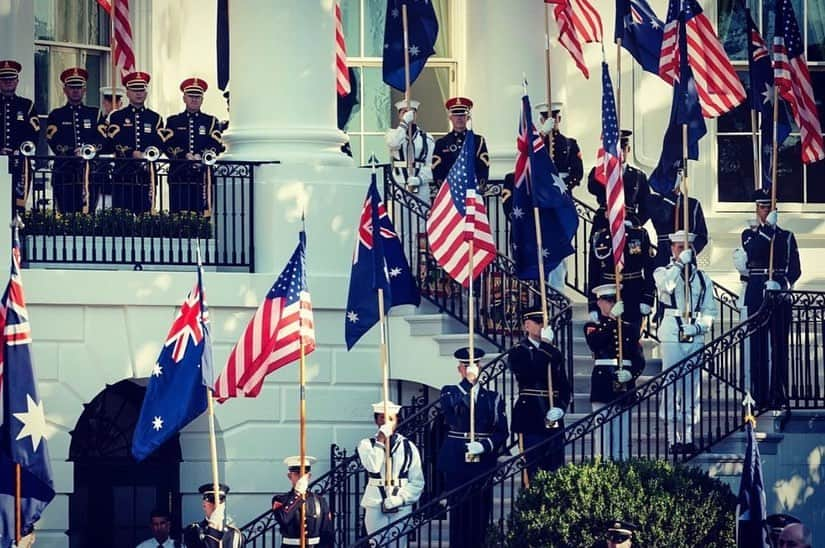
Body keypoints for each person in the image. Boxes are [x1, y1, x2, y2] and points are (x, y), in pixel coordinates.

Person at [437, 347, 508, 548]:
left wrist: (484, 445)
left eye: (475, 365)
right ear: (459, 369)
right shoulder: (449, 391)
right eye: (466, 366)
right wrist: (468, 385)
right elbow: (451, 413)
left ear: (481, 367)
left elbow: (502, 431)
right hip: (457, 460)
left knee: (480, 514)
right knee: (459, 515)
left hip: (482, 461)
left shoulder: (493, 397)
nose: (471, 369)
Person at [653, 231, 716, 454]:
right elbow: (666, 288)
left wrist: (699, 327)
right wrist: (680, 264)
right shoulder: (663, 272)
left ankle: (688, 435)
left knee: (692, 386)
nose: (683, 251)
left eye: (686, 247)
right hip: (672, 328)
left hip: (694, 331)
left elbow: (710, 310)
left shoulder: (703, 279)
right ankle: (672, 437)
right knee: (671, 383)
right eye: (678, 247)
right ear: (672, 249)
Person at [740, 188, 801, 408]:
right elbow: (754, 252)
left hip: (779, 293)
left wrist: (783, 284)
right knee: (757, 346)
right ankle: (760, 394)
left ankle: (779, 394)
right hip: (757, 291)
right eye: (761, 207)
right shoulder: (749, 235)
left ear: (774, 209)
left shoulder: (787, 237)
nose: (764, 211)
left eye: (768, 207)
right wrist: (767, 230)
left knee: (779, 345)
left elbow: (795, 269)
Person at [584, 284, 645, 460]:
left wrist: (631, 373)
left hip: (624, 383)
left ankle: (622, 467)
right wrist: (611, 319)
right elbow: (595, 343)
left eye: (614, 300)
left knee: (622, 433)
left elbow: (639, 359)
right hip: (603, 381)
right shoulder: (593, 326)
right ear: (599, 302)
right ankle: (602, 468)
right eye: (608, 300)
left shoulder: (629, 328)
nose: (611, 304)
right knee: (602, 434)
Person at [508, 307, 570, 477]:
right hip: (531, 415)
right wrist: (544, 348)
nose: (543, 326)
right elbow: (530, 374)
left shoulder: (554, 351)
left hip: (553, 415)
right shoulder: (518, 351)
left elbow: (564, 386)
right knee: (533, 470)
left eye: (544, 323)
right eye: (538, 323)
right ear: (527, 326)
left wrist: (561, 407)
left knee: (555, 468)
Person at [357, 400, 424, 546]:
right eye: (382, 418)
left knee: (399, 543)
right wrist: (380, 440)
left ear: (397, 420)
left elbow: (417, 481)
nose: (386, 422)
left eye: (391, 418)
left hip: (401, 503)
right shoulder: (366, 444)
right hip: (375, 501)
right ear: (376, 420)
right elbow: (373, 467)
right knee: (377, 542)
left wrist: (401, 499)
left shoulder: (408, 446)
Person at [45, 67, 107, 213]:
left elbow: (103, 137)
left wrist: (89, 150)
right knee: (65, 214)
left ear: (84, 90)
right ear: (65, 90)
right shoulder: (56, 115)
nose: (75, 90)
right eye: (72, 87)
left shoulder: (95, 114)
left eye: (79, 87)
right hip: (64, 172)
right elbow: (53, 140)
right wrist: (72, 152)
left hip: (90, 173)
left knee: (89, 214)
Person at [106, 71, 165, 214]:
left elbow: (161, 143)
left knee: (146, 217)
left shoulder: (155, 118)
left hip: (146, 176)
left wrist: (148, 155)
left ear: (146, 93)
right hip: (123, 174)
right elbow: (114, 141)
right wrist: (132, 153)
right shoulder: (117, 116)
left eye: (141, 90)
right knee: (121, 218)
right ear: (127, 93)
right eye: (134, 90)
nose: (139, 93)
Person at [163, 78, 224, 214]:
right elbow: (168, 144)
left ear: (202, 99)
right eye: (191, 96)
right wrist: (184, 155)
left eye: (198, 96)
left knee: (202, 215)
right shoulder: (173, 121)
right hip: (179, 175)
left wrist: (200, 156)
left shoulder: (211, 121)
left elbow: (216, 144)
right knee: (178, 215)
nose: (194, 99)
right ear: (184, 98)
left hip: (202, 177)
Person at [587, 210, 655, 330]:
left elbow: (649, 269)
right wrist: (592, 304)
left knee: (632, 337)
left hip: (633, 291)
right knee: (608, 338)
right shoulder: (599, 237)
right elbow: (593, 272)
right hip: (608, 292)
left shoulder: (639, 234)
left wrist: (648, 298)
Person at [587, 130, 650, 229]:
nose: (619, 152)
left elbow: (646, 206)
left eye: (622, 148)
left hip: (628, 224)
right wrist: (605, 168)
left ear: (628, 149)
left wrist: (635, 222)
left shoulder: (639, 176)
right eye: (615, 149)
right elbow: (592, 188)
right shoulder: (600, 171)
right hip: (604, 221)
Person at [0, 59, 40, 210]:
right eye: (4, 79)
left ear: (17, 81)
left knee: (18, 206)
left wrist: (20, 149)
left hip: (20, 163)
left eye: (11, 78)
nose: (8, 82)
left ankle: (17, 232)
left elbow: (34, 133)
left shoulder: (26, 105)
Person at [271, 455, 334, 548]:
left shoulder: (320, 501)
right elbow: (284, 519)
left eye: (304, 474)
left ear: (309, 476)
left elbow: (327, 533)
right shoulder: (280, 500)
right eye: (297, 474)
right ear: (289, 476)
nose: (301, 478)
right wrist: (297, 494)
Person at [644, 185, 708, 269]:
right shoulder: (654, 202)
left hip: (686, 259)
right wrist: (670, 198)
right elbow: (663, 217)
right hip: (664, 256)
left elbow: (702, 236)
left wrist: (688, 253)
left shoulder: (692, 203)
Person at [432, 97, 489, 190]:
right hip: (450, 193)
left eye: (462, 114)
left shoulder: (478, 141)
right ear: (450, 117)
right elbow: (437, 170)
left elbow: (483, 167)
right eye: (455, 114)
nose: (459, 118)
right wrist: (444, 189)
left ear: (468, 117)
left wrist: (479, 187)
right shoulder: (441, 143)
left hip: (472, 191)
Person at [385, 99, 434, 201]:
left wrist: (420, 179)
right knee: (400, 216)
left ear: (416, 115)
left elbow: (431, 163)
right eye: (404, 112)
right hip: (399, 184)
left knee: (420, 215)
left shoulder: (427, 138)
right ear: (399, 115)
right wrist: (404, 123)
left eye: (412, 112)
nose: (409, 115)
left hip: (420, 186)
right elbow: (394, 143)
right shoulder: (392, 134)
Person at [535, 101, 583, 193]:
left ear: (559, 119)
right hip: (542, 192)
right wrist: (542, 134)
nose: (551, 122)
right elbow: (528, 158)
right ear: (541, 121)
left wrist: (561, 186)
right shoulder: (537, 143)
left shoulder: (570, 144)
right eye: (546, 118)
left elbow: (577, 172)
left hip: (563, 191)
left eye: (554, 118)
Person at [182, 483, 243, 548]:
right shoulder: (194, 531)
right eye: (212, 499)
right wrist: (213, 527)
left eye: (221, 499)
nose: (217, 504)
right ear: (204, 505)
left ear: (224, 505)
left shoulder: (234, 534)